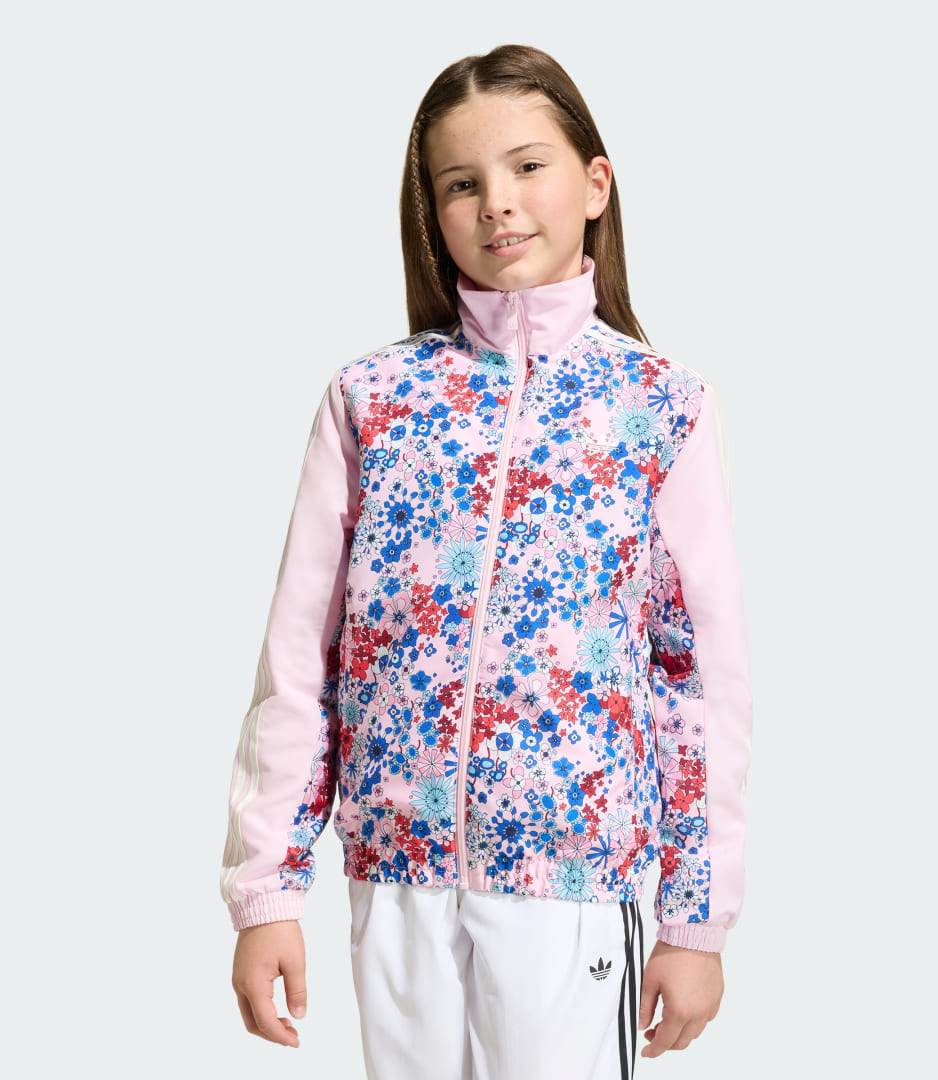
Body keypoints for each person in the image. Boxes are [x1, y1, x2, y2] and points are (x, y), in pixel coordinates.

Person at [220, 43, 753, 1079]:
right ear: (431, 212)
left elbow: (698, 681)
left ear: (595, 184)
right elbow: (299, 660)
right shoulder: (373, 400)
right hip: (397, 877)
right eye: (460, 183)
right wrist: (267, 891)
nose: (497, 202)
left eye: (528, 166)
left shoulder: (661, 407)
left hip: (570, 885)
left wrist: (696, 920)